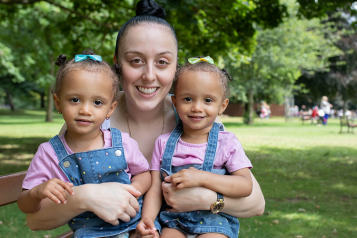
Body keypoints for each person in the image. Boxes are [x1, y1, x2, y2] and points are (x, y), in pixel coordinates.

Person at [25, 0, 265, 235]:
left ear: (175, 68)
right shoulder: (93, 121)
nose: (149, 75)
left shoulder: (196, 120)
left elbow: (256, 203)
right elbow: (36, 220)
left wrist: (208, 199)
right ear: (117, 63)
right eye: (136, 60)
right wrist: (84, 197)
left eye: (162, 62)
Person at [18, 50, 152, 238]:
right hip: (90, 234)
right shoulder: (49, 154)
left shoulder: (122, 142)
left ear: (110, 109)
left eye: (97, 102)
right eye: (75, 100)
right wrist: (37, 192)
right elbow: (25, 204)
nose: (85, 110)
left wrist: (131, 192)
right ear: (57, 102)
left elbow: (144, 174)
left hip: (133, 225)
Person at [136, 57, 253, 238]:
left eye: (207, 100)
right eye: (188, 99)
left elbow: (245, 186)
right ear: (175, 103)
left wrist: (201, 178)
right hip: (174, 220)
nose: (197, 107)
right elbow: (155, 188)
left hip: (214, 221)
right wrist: (148, 219)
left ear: (222, 106)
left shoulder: (227, 142)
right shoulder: (163, 143)